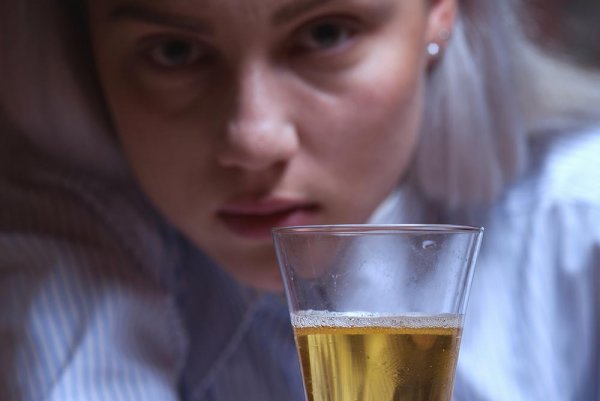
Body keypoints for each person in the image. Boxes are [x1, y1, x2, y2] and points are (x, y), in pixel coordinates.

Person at [0, 0, 599, 400]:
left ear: (444, 10)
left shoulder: (579, 220)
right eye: (174, 52)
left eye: (324, 34)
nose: (254, 139)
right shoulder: (63, 233)